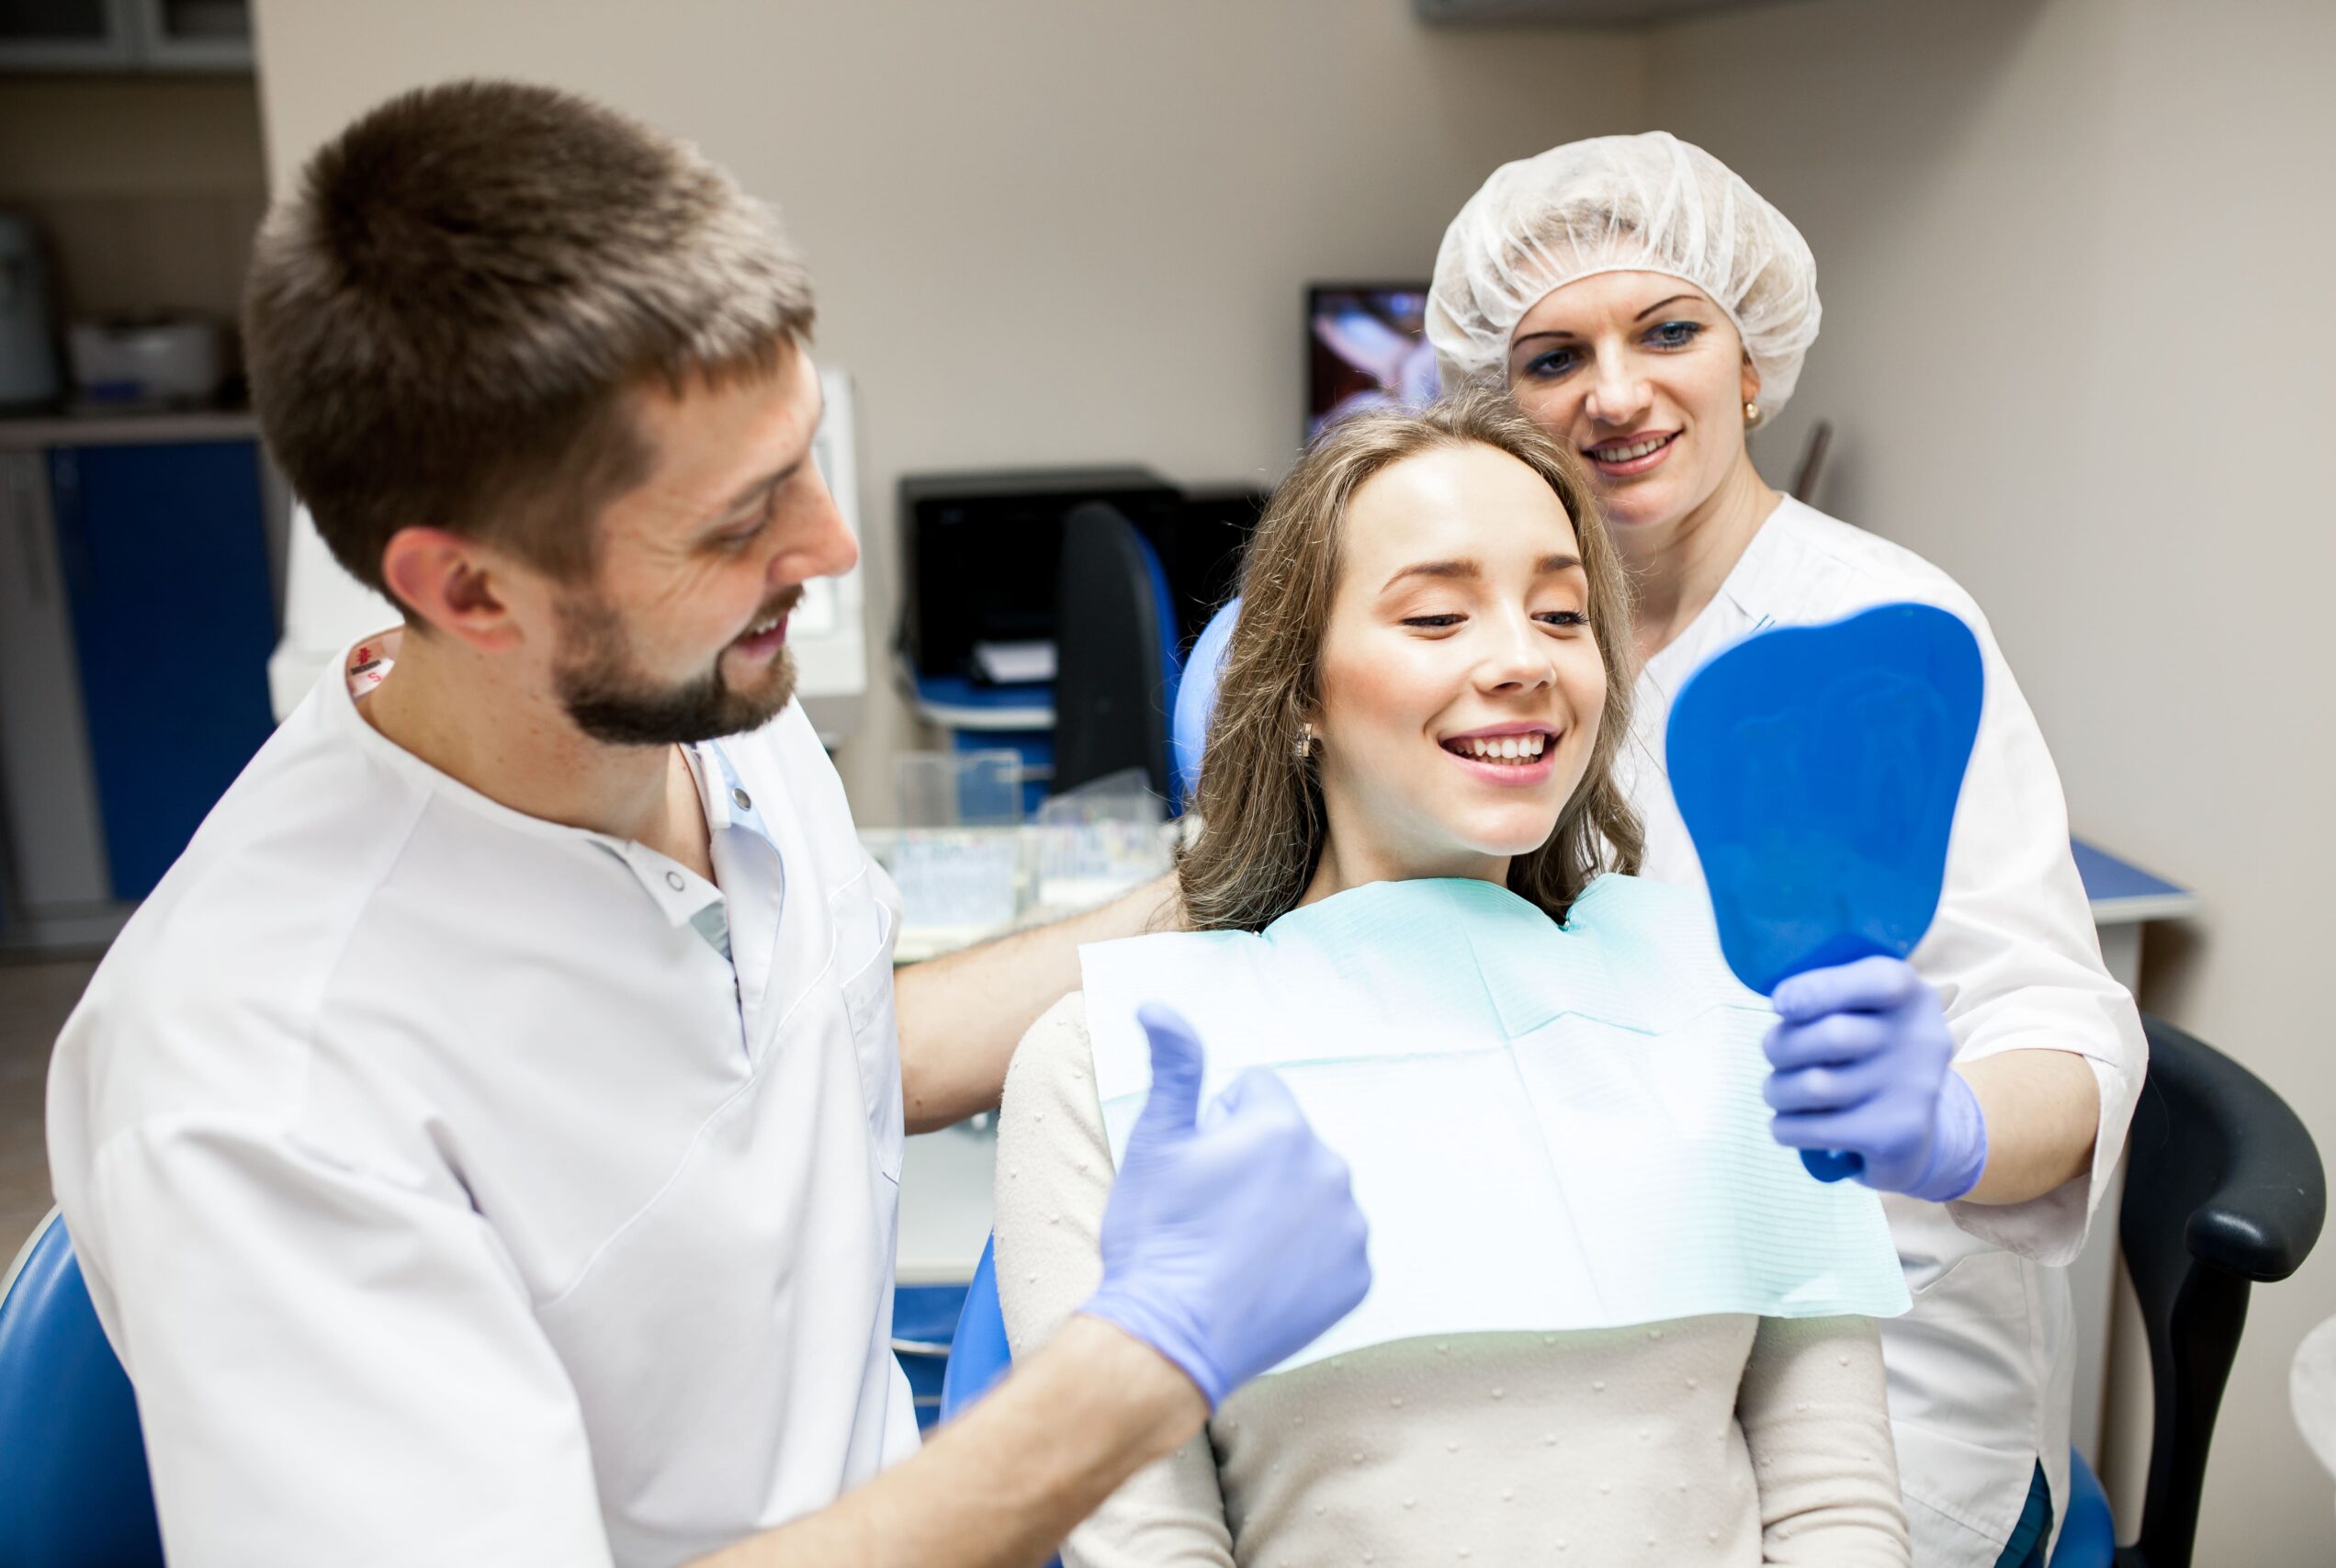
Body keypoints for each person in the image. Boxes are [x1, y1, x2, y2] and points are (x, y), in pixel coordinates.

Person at [43, 80, 1370, 1568]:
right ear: (468, 590)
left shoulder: (708, 710)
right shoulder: (266, 1079)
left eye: (805, 448)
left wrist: (1237, 879)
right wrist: (1144, 1365)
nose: (830, 542)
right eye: (742, 520)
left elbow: (836, 1050)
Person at [996, 392, 1912, 1566]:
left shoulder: (1737, 1007)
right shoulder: (1106, 1067)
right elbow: (1150, 1548)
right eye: (1435, 617)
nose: (1522, 660)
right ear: (1299, 698)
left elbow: (1835, 1510)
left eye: (1561, 614)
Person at [1424, 130, 2147, 1566]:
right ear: (1499, 405)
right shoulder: (1512, 646)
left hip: (1882, 1362)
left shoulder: (1880, 639)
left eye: (1669, 330)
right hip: (1609, 1327)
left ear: (1751, 360)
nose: (1616, 391)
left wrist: (1946, 1123)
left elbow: (2060, 1026)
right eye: (1554, 355)